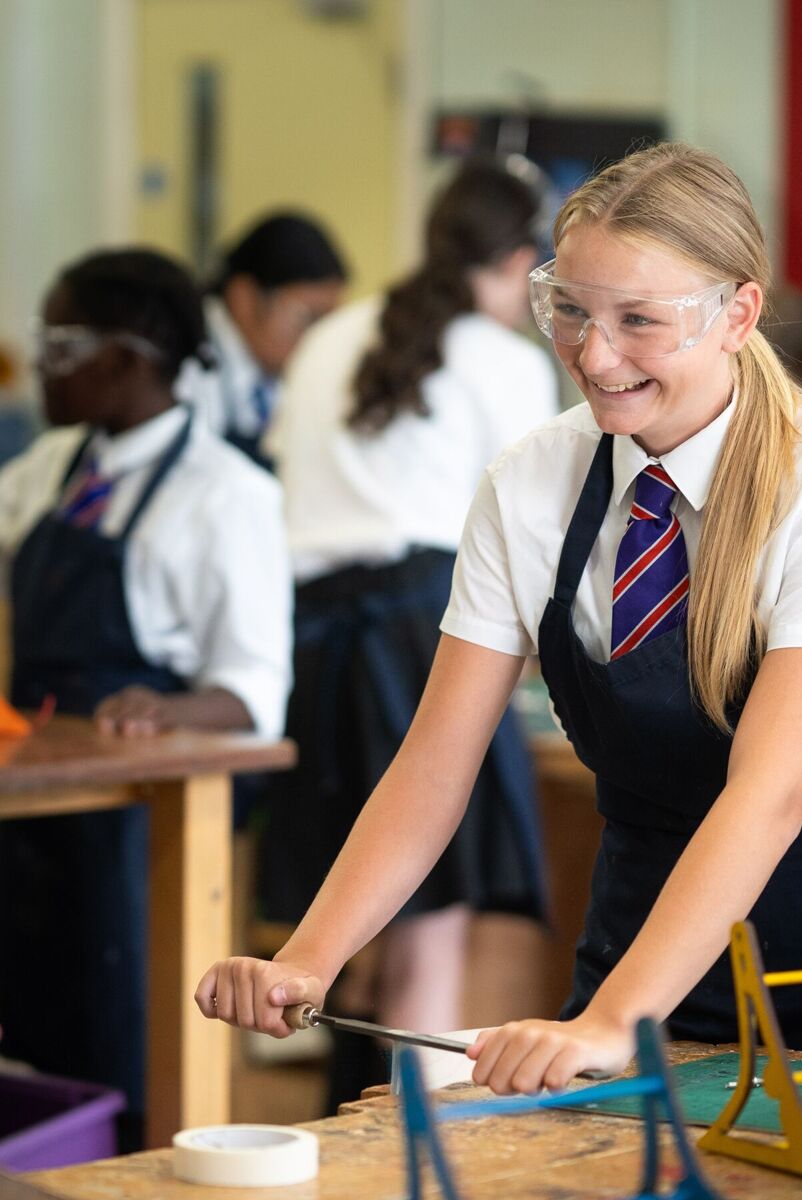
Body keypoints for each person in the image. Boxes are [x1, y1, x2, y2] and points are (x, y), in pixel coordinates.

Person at [198, 142, 802, 1093]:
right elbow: (436, 763)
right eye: (571, 312)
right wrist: (308, 959)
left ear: (739, 314)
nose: (595, 357)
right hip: (643, 955)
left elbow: (770, 796)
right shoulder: (530, 482)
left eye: (638, 321)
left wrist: (610, 1023)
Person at [0, 248, 291, 1145]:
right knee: (43, 1021)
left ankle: (137, 1162)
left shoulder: (226, 495)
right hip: (35, 793)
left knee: (128, 1021)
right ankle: (59, 1154)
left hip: (139, 817)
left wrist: (170, 710)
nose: (39, 361)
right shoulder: (57, 466)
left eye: (60, 343)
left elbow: (252, 692)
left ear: (126, 358)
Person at [256, 158, 556, 1096]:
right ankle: (400, 1165)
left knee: (348, 927)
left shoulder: (330, 336)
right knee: (428, 930)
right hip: (421, 634)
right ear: (513, 262)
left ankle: (354, 1139)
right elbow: (530, 524)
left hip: (312, 640)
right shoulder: (502, 361)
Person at [181, 212, 348, 466]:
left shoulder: (279, 369)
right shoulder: (188, 362)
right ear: (244, 299)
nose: (319, 339)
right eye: (309, 318)